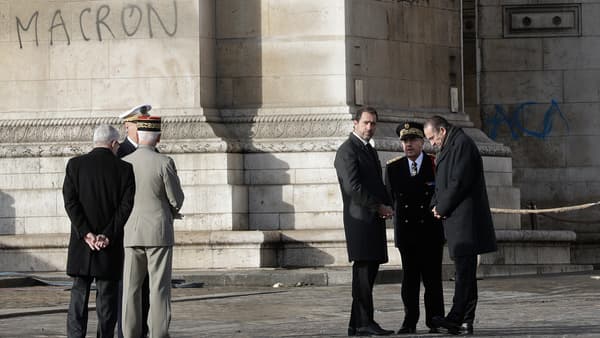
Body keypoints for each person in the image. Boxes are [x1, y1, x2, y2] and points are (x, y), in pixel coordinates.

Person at [423, 116, 497, 335]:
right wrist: (435, 204)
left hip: (465, 220)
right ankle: (466, 320)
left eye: (432, 138)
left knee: (464, 272)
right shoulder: (450, 145)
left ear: (443, 131)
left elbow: (459, 182)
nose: (432, 143)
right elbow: (443, 181)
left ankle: (456, 317)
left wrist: (442, 207)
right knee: (466, 272)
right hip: (457, 219)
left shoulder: (462, 144)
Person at [63, 125, 135, 338]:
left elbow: (70, 203)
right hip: (108, 244)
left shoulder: (75, 165)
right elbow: (125, 207)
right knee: (107, 300)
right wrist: (107, 234)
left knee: (78, 295)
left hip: (82, 243)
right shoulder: (124, 169)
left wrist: (86, 234)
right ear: (113, 143)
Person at [121, 115, 185, 338]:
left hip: (131, 231)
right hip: (158, 231)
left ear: (137, 136)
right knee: (158, 288)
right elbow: (176, 198)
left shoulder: (125, 162)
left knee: (131, 288)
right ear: (158, 138)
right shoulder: (164, 162)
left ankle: (129, 334)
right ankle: (157, 333)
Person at [334, 106, 394, 336]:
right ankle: (364, 323)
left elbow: (376, 183)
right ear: (355, 123)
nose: (370, 127)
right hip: (359, 221)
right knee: (363, 274)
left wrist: (388, 204)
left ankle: (356, 323)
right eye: (366, 123)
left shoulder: (368, 150)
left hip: (372, 219)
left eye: (373, 123)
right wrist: (378, 206)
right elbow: (353, 187)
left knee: (368, 274)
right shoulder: (347, 150)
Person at [385, 122, 445, 334]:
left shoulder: (435, 164)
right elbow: (391, 199)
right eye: (404, 141)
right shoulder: (393, 168)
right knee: (409, 280)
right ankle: (409, 320)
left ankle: (435, 319)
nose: (408, 145)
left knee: (432, 279)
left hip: (430, 232)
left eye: (412, 140)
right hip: (407, 233)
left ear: (422, 142)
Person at [117, 104, 153, 338]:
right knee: (128, 286)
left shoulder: (152, 152)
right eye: (141, 124)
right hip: (127, 229)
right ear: (128, 126)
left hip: (148, 230)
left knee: (146, 287)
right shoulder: (119, 154)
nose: (145, 128)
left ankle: (142, 330)